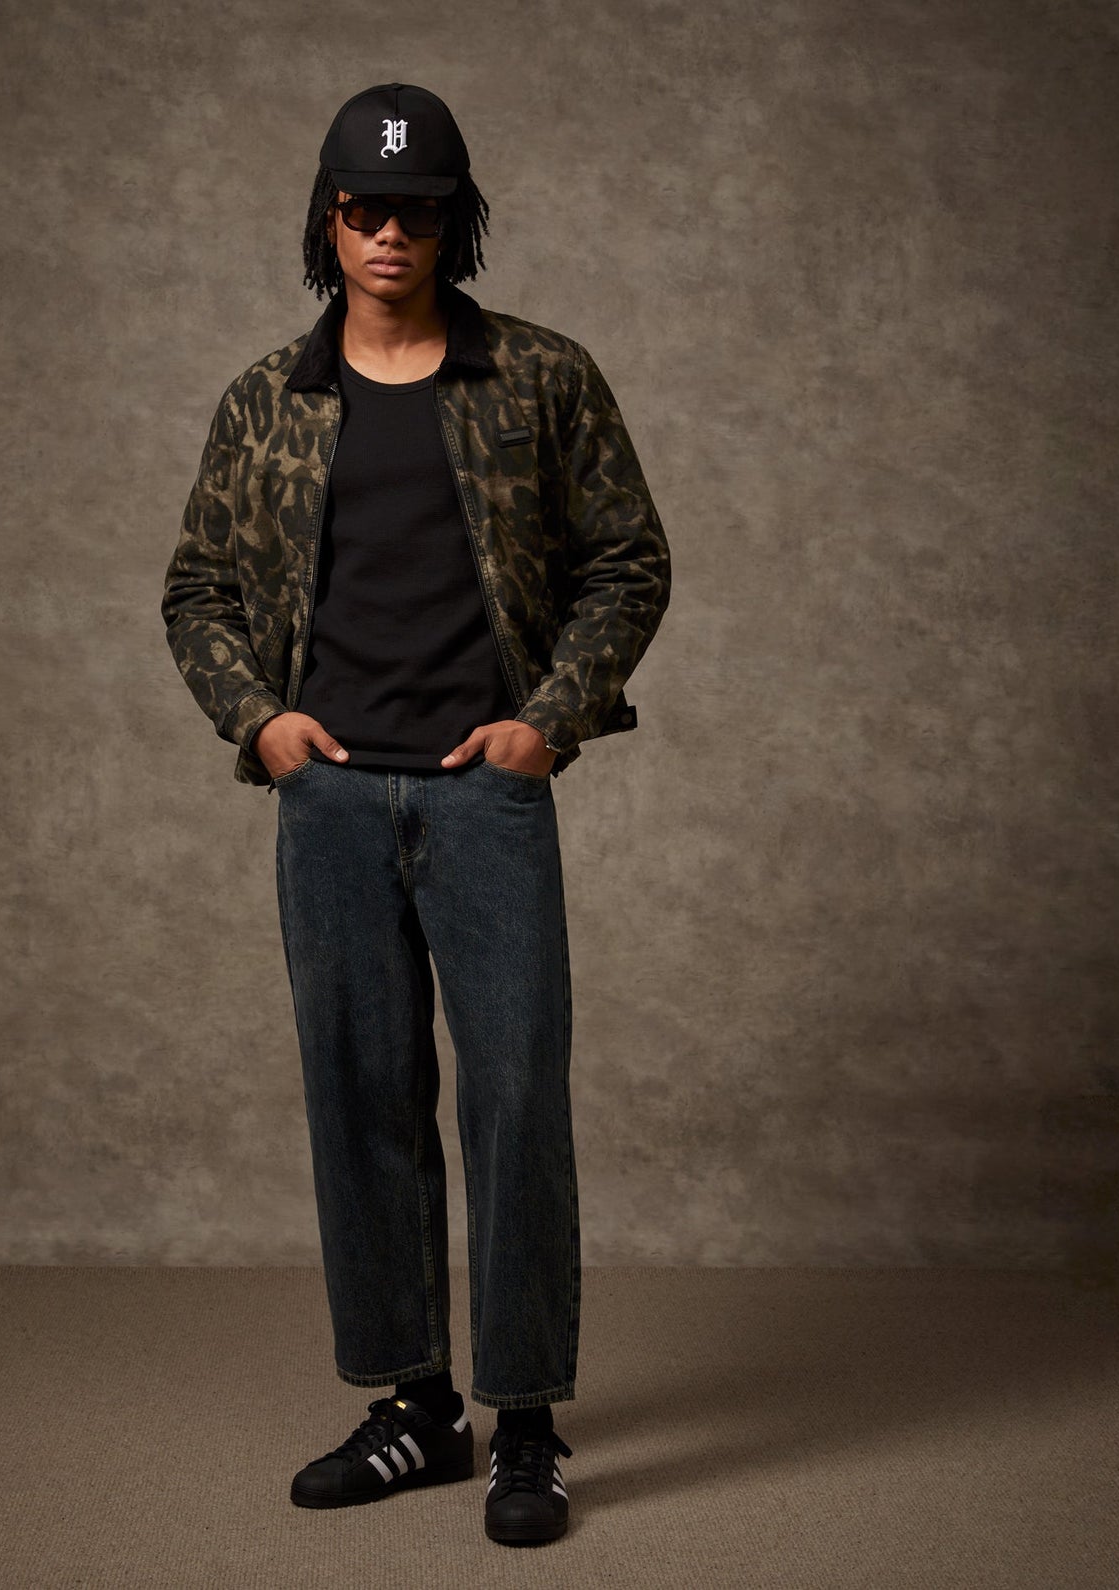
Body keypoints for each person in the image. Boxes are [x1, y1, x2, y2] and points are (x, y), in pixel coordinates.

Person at [160, 81, 670, 1546]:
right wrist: (260, 724)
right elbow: (196, 587)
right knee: (363, 1097)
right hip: (327, 801)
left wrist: (547, 724)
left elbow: (629, 561)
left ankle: (526, 1424)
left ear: (458, 223)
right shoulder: (267, 399)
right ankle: (416, 1407)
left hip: (484, 796)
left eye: (420, 210)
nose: (391, 232)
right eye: (365, 207)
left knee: (515, 1099)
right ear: (329, 219)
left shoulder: (541, 379)